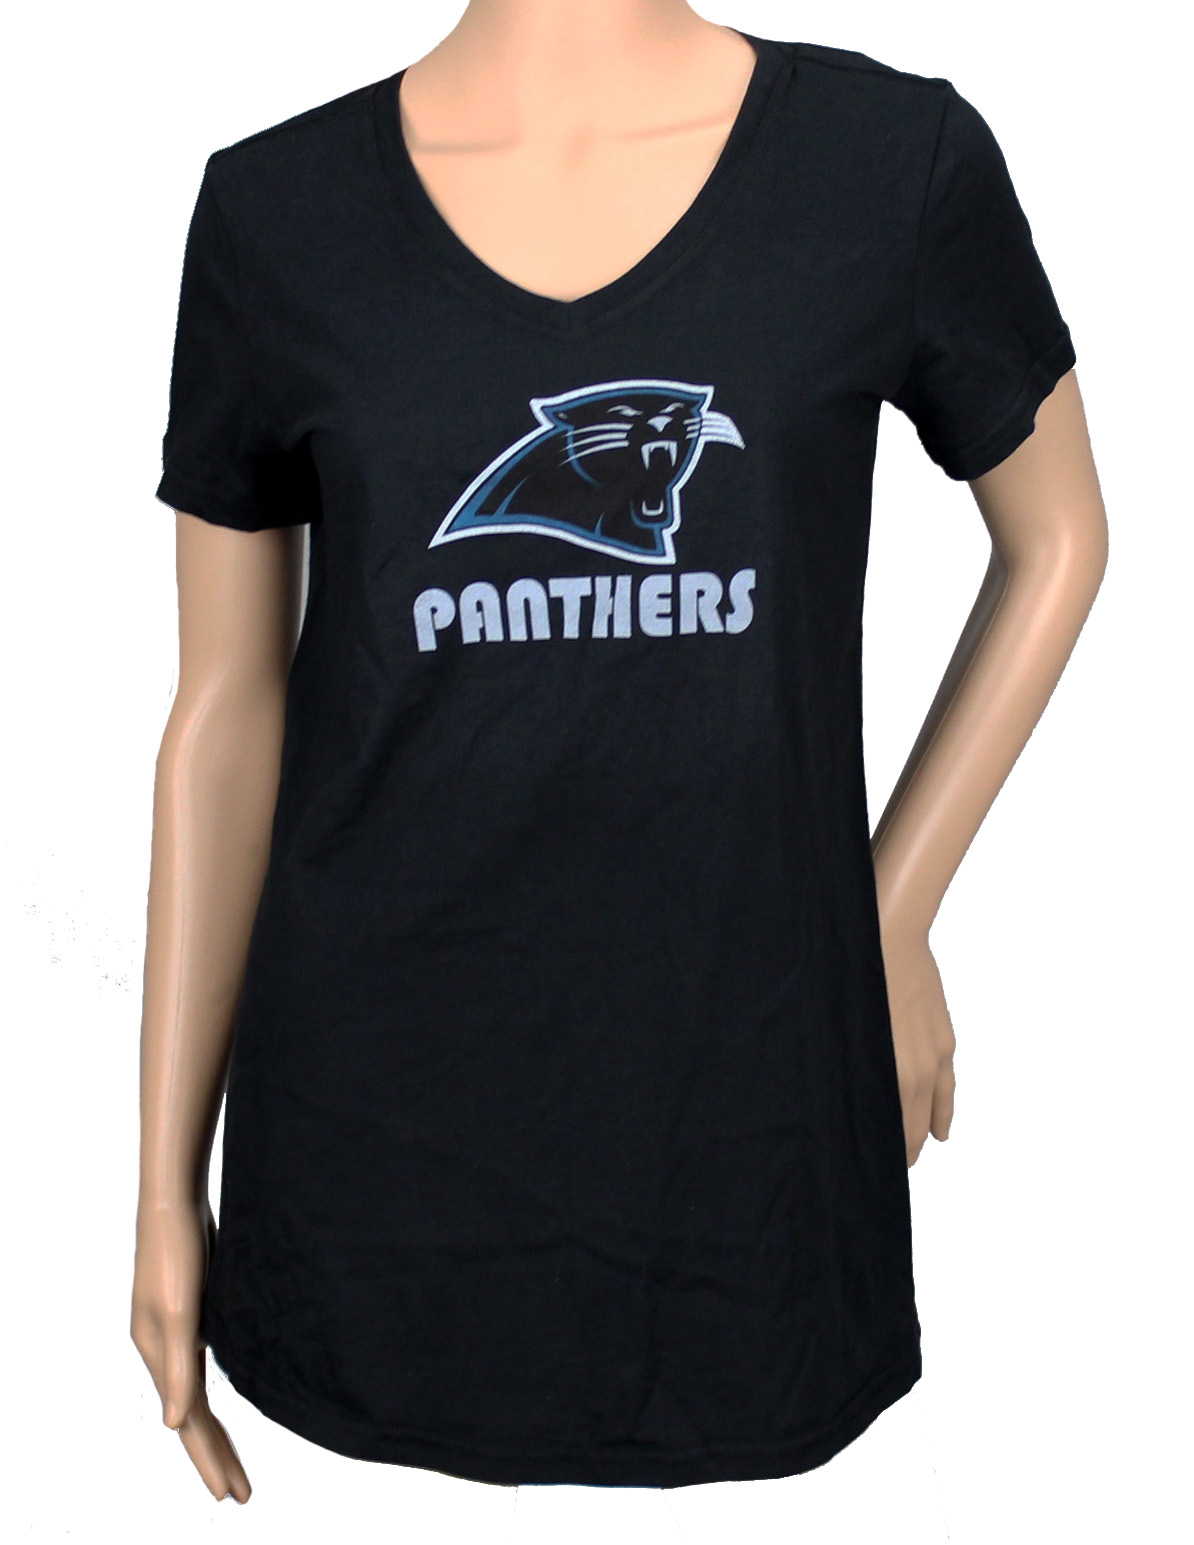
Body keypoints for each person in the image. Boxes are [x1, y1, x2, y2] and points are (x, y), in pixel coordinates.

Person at [132, 0, 1108, 1504]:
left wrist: (882, 913)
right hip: (363, 1205)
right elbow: (225, 705)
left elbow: (1059, 540)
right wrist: (160, 1186)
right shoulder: (278, 215)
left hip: (747, 1189)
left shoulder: (888, 164)